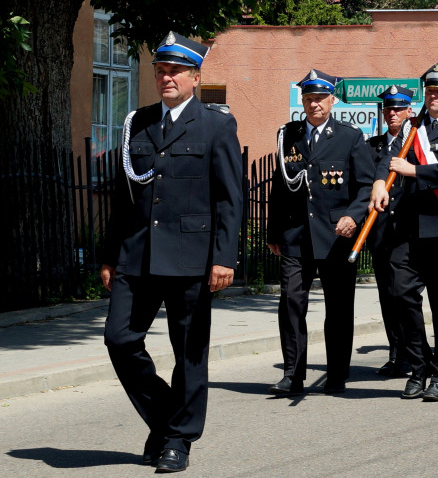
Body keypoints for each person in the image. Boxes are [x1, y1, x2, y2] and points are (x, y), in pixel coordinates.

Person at [101, 32, 243, 473]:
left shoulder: (216, 125)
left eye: (176, 71)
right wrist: (109, 255)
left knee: (189, 353)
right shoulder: (137, 122)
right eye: (161, 70)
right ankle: (167, 421)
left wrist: (225, 257)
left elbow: (229, 199)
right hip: (137, 256)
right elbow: (122, 196)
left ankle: (178, 440)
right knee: (119, 339)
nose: (166, 77)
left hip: (191, 258)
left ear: (195, 78)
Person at [369, 63, 438, 402]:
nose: (432, 97)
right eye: (429, 91)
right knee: (400, 293)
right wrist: (378, 181)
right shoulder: (411, 128)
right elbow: (385, 158)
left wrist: (413, 170)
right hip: (409, 228)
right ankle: (419, 366)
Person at [266, 70, 374, 397]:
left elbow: (365, 186)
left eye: (321, 98)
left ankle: (337, 373)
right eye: (309, 98)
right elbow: (279, 186)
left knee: (338, 308)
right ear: (303, 100)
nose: (315, 104)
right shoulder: (289, 135)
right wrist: (273, 231)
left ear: (332, 100)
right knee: (291, 302)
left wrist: (353, 218)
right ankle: (292, 374)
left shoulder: (349, 137)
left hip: (336, 236)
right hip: (296, 235)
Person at [366, 85, 415, 377]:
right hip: (381, 232)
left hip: (409, 232)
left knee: (403, 293)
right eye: (388, 108)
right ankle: (396, 352)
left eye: (398, 108)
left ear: (409, 110)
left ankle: (413, 350)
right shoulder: (372, 146)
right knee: (387, 293)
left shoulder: (416, 142)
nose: (392, 113)